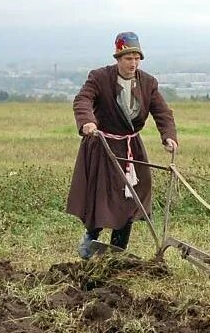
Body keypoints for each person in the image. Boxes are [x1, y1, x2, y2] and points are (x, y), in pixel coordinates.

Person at [67, 32, 178, 259]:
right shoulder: (99, 78)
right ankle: (91, 239)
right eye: (128, 58)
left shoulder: (148, 83)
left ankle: (118, 249)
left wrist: (169, 136)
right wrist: (87, 122)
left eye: (137, 58)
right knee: (102, 196)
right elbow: (83, 100)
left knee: (131, 198)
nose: (133, 63)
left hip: (130, 147)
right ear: (118, 58)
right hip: (103, 146)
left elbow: (162, 112)